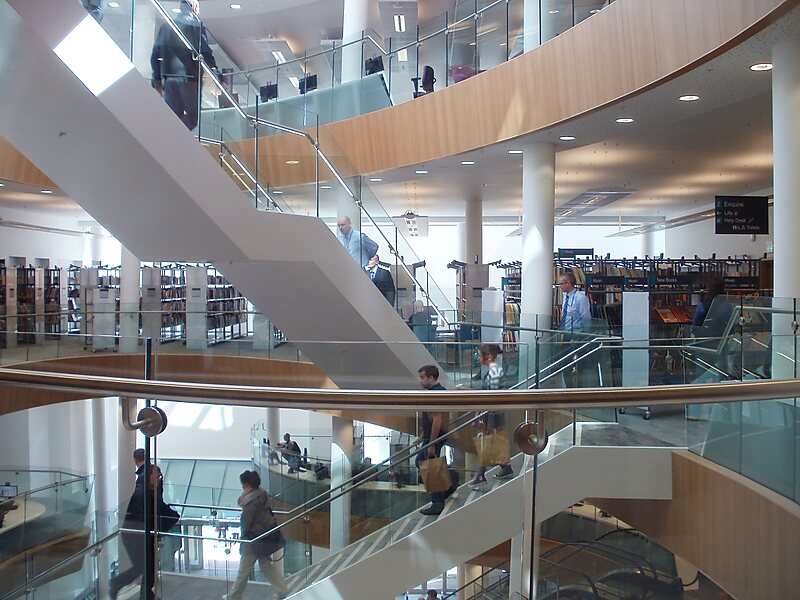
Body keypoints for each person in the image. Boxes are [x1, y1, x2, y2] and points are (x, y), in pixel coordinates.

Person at [111, 465, 177, 600]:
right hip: (136, 536)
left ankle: (144, 594)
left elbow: (159, 507)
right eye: (155, 477)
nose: (158, 480)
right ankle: (119, 585)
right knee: (144, 567)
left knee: (146, 567)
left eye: (159, 477)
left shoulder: (151, 491)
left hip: (142, 535)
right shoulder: (143, 494)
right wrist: (172, 517)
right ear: (149, 477)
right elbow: (148, 514)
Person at [150, 0, 217, 130]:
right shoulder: (196, 26)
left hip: (169, 80)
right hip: (190, 80)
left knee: (173, 118)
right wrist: (215, 71)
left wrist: (157, 80)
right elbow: (205, 52)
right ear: (194, 8)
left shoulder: (166, 26)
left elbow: (155, 55)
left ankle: (173, 139)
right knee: (192, 118)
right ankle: (178, 137)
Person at [226, 470, 288, 600]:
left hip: (253, 539)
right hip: (264, 536)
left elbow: (245, 524)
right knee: (265, 565)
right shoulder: (262, 494)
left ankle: (234, 596)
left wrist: (242, 542)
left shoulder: (250, 502)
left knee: (243, 570)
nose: (242, 487)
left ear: (247, 484)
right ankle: (282, 590)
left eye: (242, 484)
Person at [470, 344, 513, 489]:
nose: (478, 357)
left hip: (492, 413)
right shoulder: (494, 370)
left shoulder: (494, 371)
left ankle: (481, 475)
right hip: (492, 413)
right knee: (489, 441)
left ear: (487, 356)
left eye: (479, 355)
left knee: (486, 441)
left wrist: (481, 416)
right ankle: (502, 467)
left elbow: (492, 397)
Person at [416, 365, 456, 516]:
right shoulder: (435, 392)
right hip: (431, 437)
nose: (420, 381)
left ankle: (437, 502)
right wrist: (422, 436)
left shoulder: (436, 394)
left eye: (423, 377)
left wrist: (431, 443)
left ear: (431, 377)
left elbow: (437, 420)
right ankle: (447, 487)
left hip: (435, 438)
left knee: (430, 466)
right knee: (419, 461)